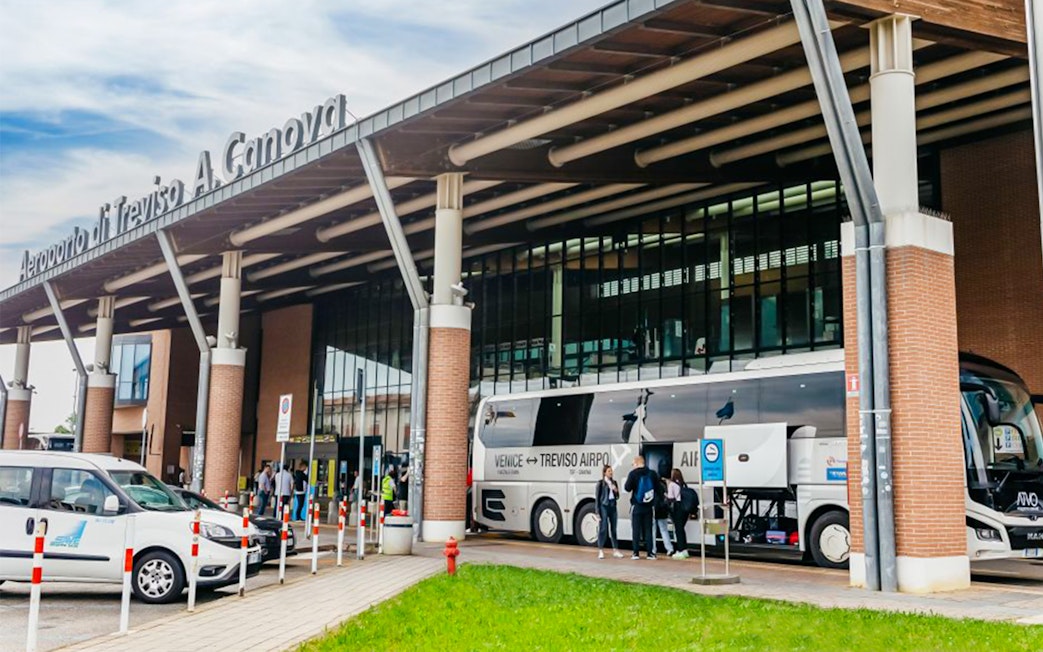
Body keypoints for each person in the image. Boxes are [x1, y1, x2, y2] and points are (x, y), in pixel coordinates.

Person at [624, 455, 660, 560]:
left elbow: (627, 488)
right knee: (648, 530)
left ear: (636, 463)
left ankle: (636, 553)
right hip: (649, 506)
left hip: (637, 505)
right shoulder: (652, 473)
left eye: (633, 464)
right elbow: (658, 489)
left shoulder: (633, 474)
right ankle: (650, 553)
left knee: (636, 530)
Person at [595, 464, 623, 559]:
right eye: (609, 471)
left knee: (614, 528)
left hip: (612, 506)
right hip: (604, 506)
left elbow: (618, 496)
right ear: (604, 473)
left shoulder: (614, 482)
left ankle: (615, 549)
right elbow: (597, 498)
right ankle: (601, 550)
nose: (611, 473)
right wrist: (597, 511)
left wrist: (615, 490)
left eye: (611, 471)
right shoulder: (601, 483)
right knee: (603, 528)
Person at [667, 468, 690, 559]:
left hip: (677, 509)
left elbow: (670, 497)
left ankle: (681, 550)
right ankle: (684, 550)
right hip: (684, 509)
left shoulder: (672, 484)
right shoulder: (683, 484)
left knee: (678, 530)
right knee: (681, 529)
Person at [653, 475, 675, 557]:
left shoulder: (652, 487)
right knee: (664, 530)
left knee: (653, 531)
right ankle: (669, 549)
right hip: (663, 511)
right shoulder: (664, 486)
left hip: (654, 511)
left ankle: (653, 550)